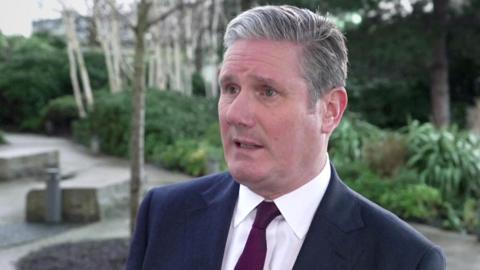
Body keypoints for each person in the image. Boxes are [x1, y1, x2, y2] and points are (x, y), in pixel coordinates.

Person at [125, 5, 446, 270]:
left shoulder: (403, 259)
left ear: (330, 110)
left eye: (267, 92)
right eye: (230, 88)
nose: (236, 114)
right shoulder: (163, 214)